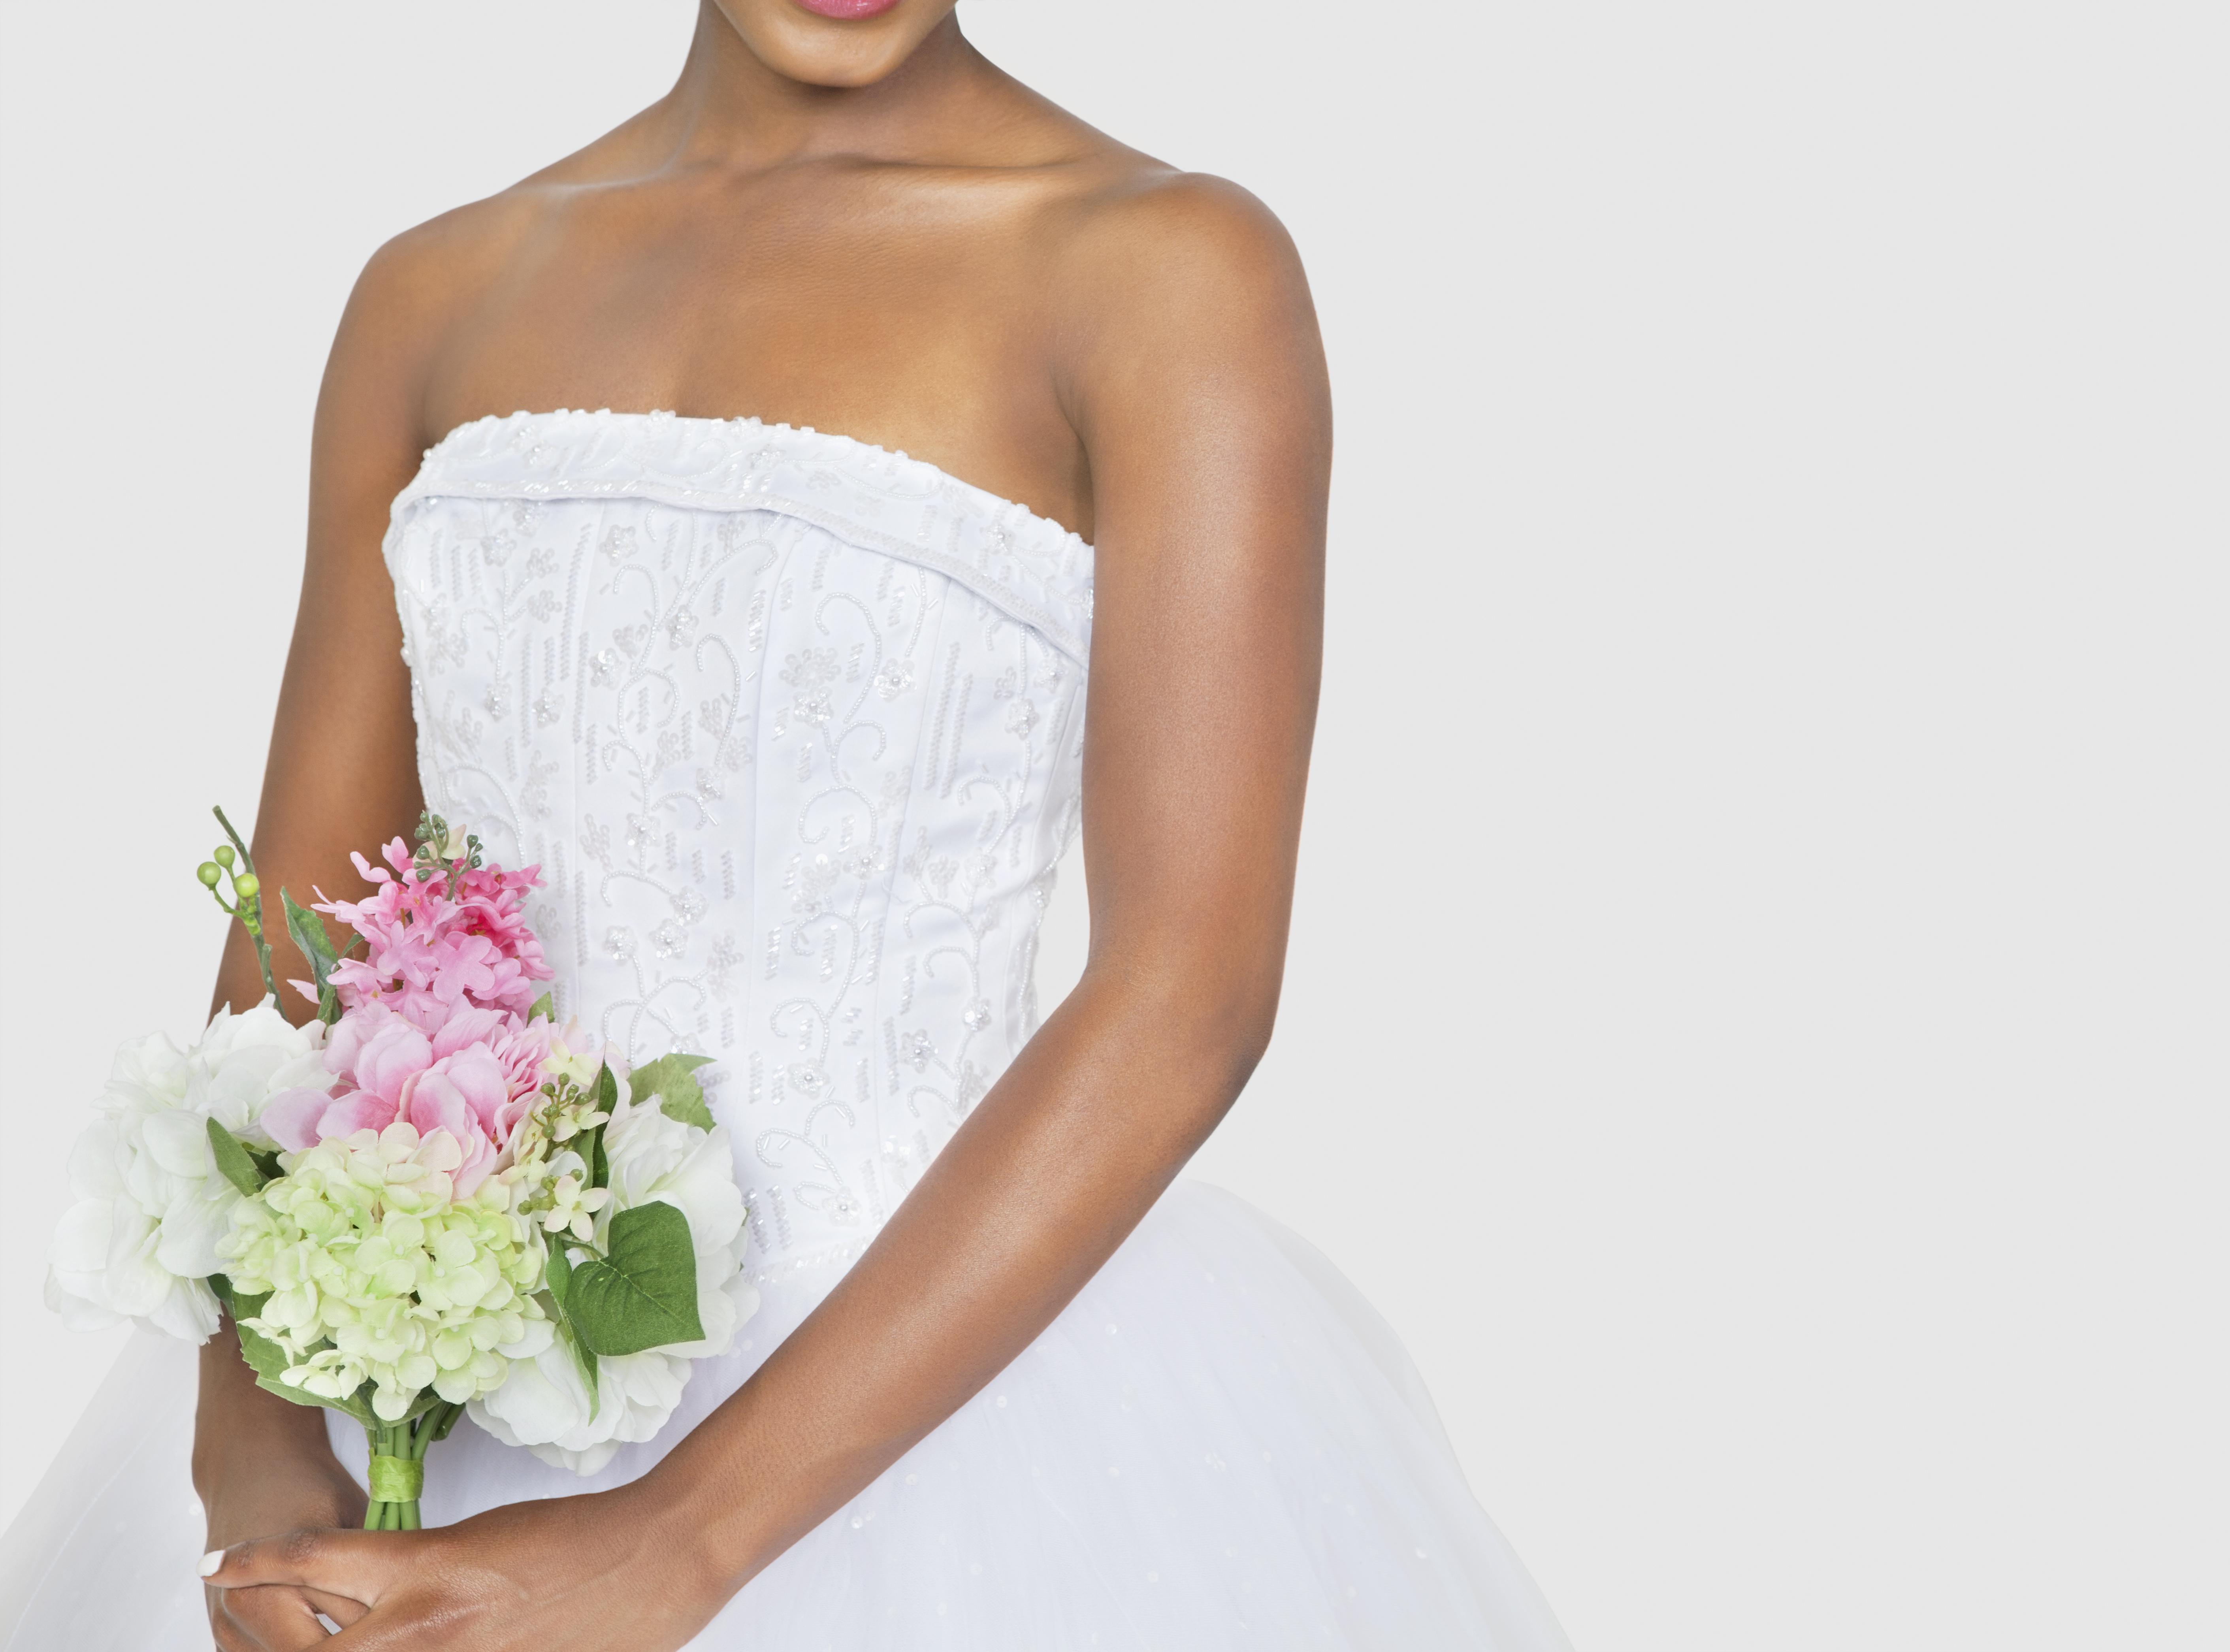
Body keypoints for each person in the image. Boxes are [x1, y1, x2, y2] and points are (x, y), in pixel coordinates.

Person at [2, 4, 1569, 1647]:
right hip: (429, 1418)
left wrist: (671, 1543)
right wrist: (250, 1454)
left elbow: (1190, 991)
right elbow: (301, 948)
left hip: (959, 1417)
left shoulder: (1164, 272)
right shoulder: (436, 296)